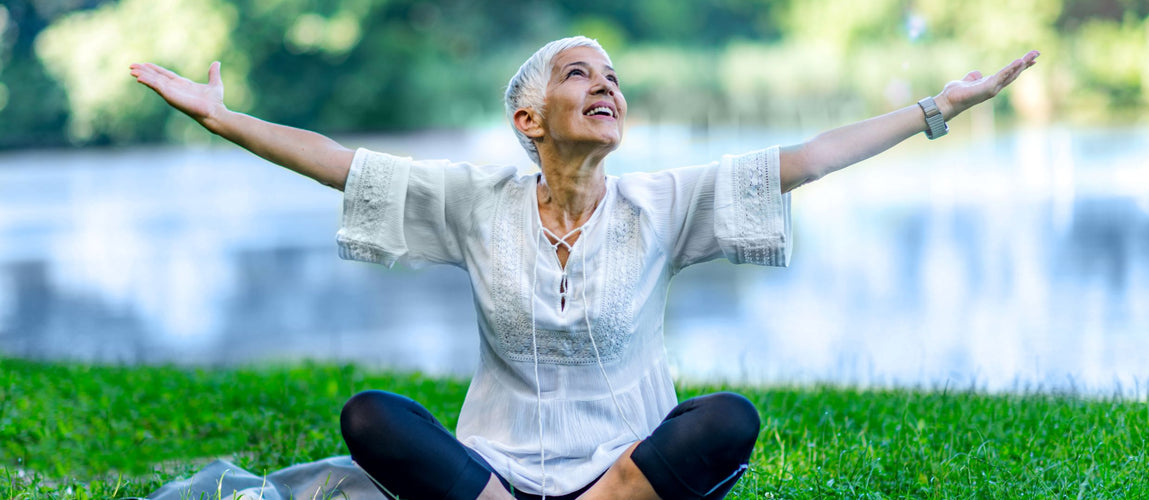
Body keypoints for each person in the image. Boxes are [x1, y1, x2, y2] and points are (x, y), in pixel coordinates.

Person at [130, 36, 1038, 500]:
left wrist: (935, 107)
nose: (607, 86)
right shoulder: (473, 202)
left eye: (612, 77)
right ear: (529, 120)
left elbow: (805, 158)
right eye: (579, 75)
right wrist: (223, 119)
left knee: (726, 421)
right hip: (493, 476)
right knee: (372, 416)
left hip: (624, 476)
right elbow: (339, 162)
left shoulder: (666, 202)